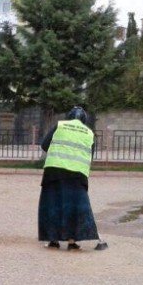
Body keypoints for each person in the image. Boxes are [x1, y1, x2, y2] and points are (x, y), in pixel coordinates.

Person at [38, 106, 104, 251]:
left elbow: (44, 145)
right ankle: (72, 242)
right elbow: (89, 156)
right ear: (84, 120)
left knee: (53, 204)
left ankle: (53, 241)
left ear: (69, 117)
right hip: (77, 174)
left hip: (54, 170)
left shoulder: (60, 126)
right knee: (75, 208)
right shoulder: (89, 133)